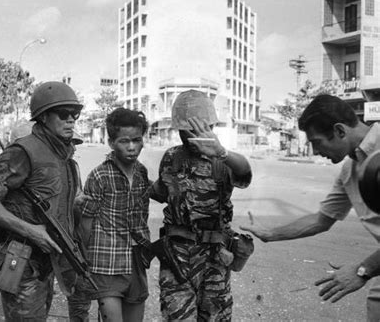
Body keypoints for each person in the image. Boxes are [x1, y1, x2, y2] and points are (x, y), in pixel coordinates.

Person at [240, 94, 380, 321]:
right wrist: (270, 234)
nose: (315, 152)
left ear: (340, 131)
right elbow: (321, 220)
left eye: (316, 142)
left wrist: (361, 270)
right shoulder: (350, 170)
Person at [0, 81, 87, 321]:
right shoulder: (24, 151)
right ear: (43, 117)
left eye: (75, 114)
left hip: (47, 260)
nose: (71, 120)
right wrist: (30, 231)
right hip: (21, 259)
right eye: (63, 114)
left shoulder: (64, 158)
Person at [150, 90, 252, 321]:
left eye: (198, 128)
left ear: (211, 125)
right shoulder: (171, 157)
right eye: (186, 129)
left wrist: (221, 152)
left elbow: (245, 174)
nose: (192, 134)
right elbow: (163, 192)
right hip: (176, 257)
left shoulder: (224, 161)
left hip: (214, 259)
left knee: (214, 317)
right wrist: (133, 177)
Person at [80, 108, 151, 322]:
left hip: (136, 259)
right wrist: (85, 262)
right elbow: (85, 224)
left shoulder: (141, 173)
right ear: (111, 142)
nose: (131, 147)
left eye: (137, 140)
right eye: (124, 141)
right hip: (106, 261)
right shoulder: (99, 176)